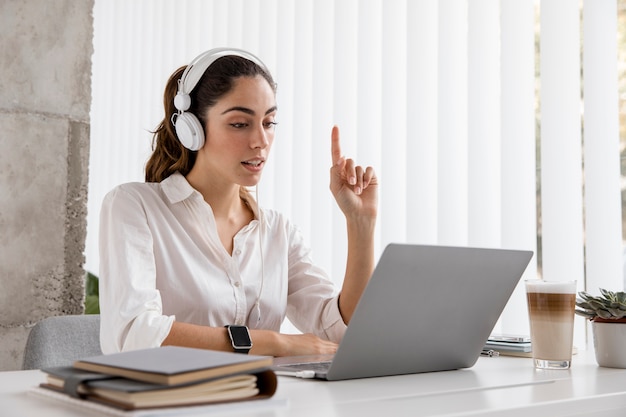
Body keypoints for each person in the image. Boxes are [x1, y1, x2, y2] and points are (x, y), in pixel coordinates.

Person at [98, 47, 378, 356]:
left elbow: (340, 332)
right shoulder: (134, 207)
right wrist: (275, 342)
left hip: (261, 400)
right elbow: (133, 334)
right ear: (191, 130)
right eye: (240, 124)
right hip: (171, 401)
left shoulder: (277, 232)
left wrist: (360, 223)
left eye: (269, 123)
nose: (260, 141)